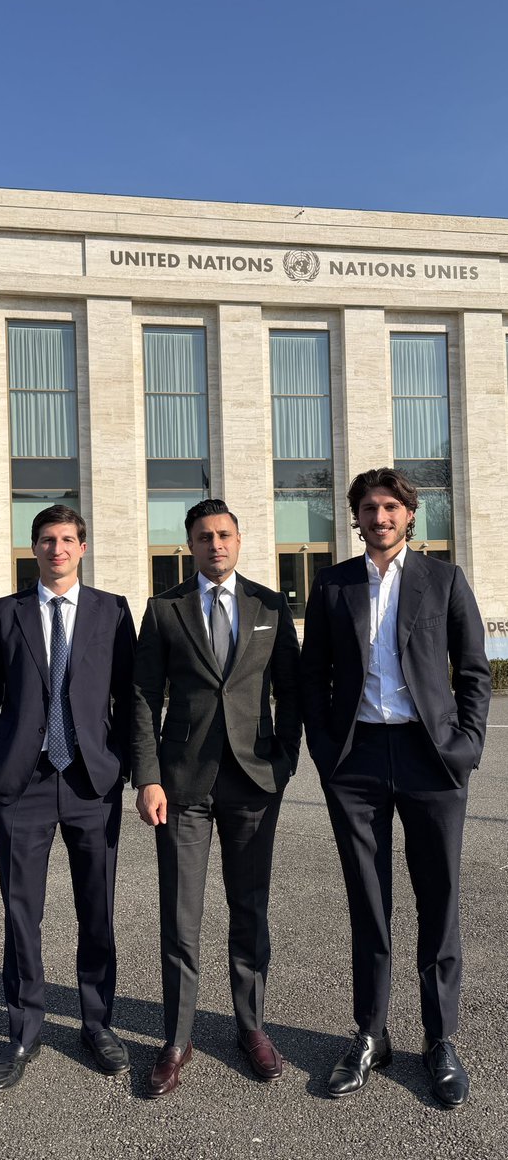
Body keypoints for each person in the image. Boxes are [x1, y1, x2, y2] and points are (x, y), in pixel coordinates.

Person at [301, 468, 491, 1107]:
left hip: (431, 758)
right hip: (356, 761)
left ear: (410, 514)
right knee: (368, 902)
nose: (379, 517)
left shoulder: (443, 579)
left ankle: (440, 1040)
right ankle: (371, 1034)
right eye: (368, 507)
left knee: (439, 899)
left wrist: (465, 746)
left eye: (390, 506)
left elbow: (473, 670)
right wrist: (326, 751)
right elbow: (313, 674)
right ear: (355, 517)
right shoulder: (333, 584)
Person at [132, 498, 301, 1097]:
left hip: (254, 783)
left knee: (249, 909)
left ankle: (251, 1027)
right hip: (182, 785)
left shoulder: (269, 606)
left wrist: (283, 762)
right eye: (204, 537)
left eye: (224, 534)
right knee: (181, 917)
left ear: (239, 539)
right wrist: (147, 776)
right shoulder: (165, 609)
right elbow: (143, 696)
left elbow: (292, 691)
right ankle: (177, 1039)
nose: (216, 545)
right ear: (191, 545)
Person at [0, 505, 137, 1093]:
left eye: (67, 539)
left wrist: (123, 766)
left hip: (92, 782)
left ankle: (98, 1023)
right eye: (47, 539)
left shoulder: (112, 611)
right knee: (22, 911)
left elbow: (130, 696)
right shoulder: (4, 612)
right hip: (25, 784)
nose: (57, 549)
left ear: (82, 547)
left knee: (98, 908)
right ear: (34, 547)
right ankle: (23, 1031)